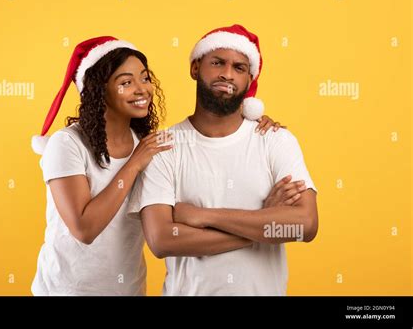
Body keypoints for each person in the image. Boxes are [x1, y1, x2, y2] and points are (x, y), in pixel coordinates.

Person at [30, 35, 288, 295]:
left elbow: (173, 216)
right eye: (126, 83)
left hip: (128, 290)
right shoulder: (68, 144)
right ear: (99, 91)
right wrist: (257, 232)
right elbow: (84, 229)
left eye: (144, 78)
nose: (142, 89)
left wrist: (253, 123)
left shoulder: (147, 144)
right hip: (67, 290)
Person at [128, 24, 318, 296]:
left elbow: (306, 225)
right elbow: (162, 240)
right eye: (217, 62)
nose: (227, 74)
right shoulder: (163, 147)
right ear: (195, 68)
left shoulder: (275, 140)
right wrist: (263, 223)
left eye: (239, 68)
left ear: (249, 78)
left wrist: (201, 216)